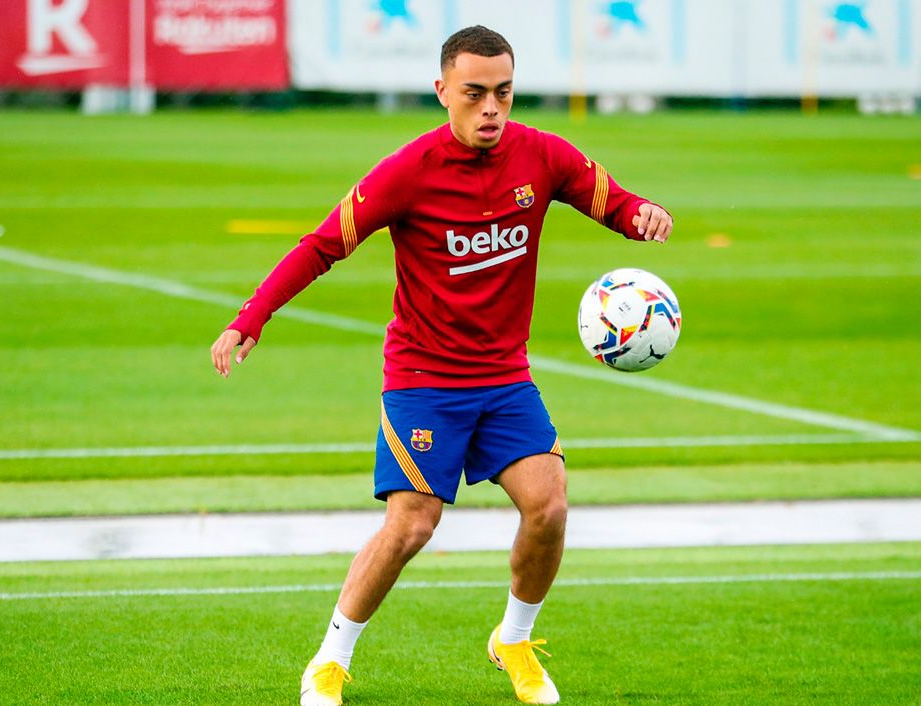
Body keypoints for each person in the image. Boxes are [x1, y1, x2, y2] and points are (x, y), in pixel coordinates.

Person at [209, 25, 672, 706]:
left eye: (504, 93)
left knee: (549, 507)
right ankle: (329, 660)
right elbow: (321, 245)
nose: (492, 108)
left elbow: (614, 201)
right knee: (413, 524)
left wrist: (644, 218)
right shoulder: (407, 171)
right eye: (475, 93)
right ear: (442, 92)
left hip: (505, 378)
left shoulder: (542, 156)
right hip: (424, 381)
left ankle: (513, 640)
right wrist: (250, 317)